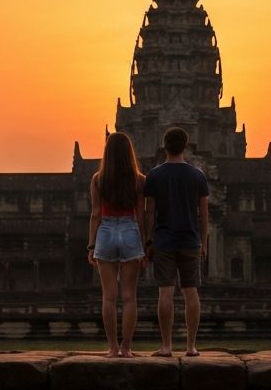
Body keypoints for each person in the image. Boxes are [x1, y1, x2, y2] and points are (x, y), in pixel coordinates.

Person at [144, 126, 210, 358]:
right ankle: (191, 346)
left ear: (164, 146)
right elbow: (204, 213)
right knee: (191, 292)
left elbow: (149, 213)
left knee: (165, 292)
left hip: (163, 239)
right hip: (190, 239)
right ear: (186, 146)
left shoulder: (154, 175)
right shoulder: (198, 175)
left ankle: (166, 346)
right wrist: (204, 241)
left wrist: (148, 240)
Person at [88, 131, 147, 358]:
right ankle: (127, 347)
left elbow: (95, 215)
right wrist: (144, 244)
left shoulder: (98, 179)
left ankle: (113, 348)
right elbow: (141, 215)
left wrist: (91, 246)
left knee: (109, 297)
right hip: (131, 229)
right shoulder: (140, 180)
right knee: (130, 296)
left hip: (106, 231)